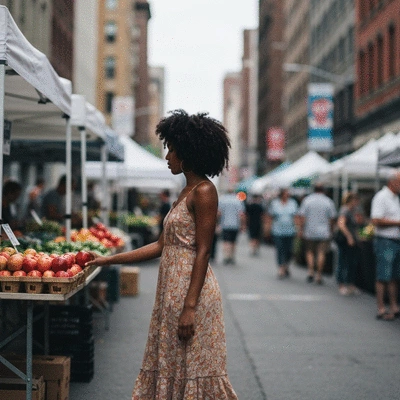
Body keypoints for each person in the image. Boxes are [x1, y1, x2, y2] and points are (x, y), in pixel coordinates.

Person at [86, 110, 238, 399]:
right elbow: (160, 246)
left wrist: (190, 307)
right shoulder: (184, 192)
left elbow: (204, 251)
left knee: (192, 366)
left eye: (171, 149)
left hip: (191, 294)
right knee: (173, 365)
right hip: (171, 293)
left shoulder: (204, 191)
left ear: (188, 152)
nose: (167, 156)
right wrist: (109, 259)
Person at [370, 171, 400, 321]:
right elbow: (375, 220)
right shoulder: (382, 197)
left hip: (394, 240)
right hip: (385, 240)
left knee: (393, 275)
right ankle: (381, 307)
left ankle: (393, 306)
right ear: (392, 182)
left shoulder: (395, 198)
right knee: (383, 275)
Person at [298, 183, 337, 284]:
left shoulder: (307, 200)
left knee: (310, 252)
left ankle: (311, 271)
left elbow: (302, 217)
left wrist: (301, 229)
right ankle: (319, 275)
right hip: (324, 232)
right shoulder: (328, 201)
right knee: (321, 253)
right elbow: (332, 218)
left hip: (309, 231)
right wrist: (331, 230)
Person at [267, 188, 299, 279]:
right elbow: (270, 216)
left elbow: (296, 216)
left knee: (289, 250)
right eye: (285, 193)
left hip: (290, 231)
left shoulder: (293, 203)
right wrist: (268, 228)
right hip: (278, 230)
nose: (287, 195)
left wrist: (298, 228)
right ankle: (281, 268)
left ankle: (286, 265)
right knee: (280, 249)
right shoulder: (275, 203)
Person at [335, 192, 361, 296]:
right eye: (356, 201)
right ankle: (342, 284)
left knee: (351, 262)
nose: (357, 203)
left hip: (351, 241)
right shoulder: (345, 210)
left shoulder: (353, 211)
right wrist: (349, 236)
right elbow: (341, 224)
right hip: (344, 241)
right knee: (343, 261)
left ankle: (350, 284)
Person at [218, 189, 246, 264]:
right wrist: (243, 225)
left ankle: (226, 256)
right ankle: (231, 256)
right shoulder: (238, 200)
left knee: (226, 241)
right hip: (235, 224)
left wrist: (217, 224)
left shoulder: (222, 199)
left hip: (225, 224)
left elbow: (219, 213)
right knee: (233, 241)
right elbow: (241, 214)